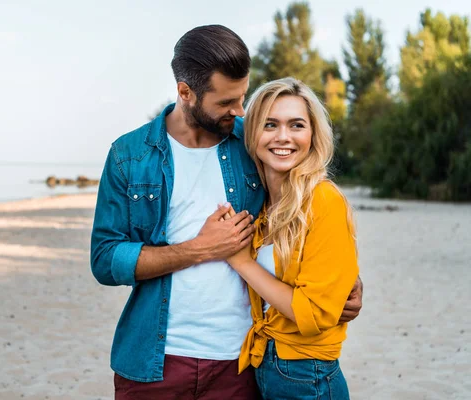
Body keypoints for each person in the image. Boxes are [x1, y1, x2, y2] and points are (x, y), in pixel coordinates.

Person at [90, 25, 363, 400]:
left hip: (243, 361)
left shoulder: (251, 145)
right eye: (226, 103)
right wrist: (199, 249)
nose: (240, 111)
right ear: (185, 92)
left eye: (242, 97)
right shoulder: (129, 155)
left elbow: (300, 217)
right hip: (154, 361)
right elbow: (105, 260)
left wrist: (341, 283)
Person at [223, 77, 360, 400]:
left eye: (296, 125)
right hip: (270, 365)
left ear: (312, 135)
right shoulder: (265, 206)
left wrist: (242, 261)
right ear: (253, 132)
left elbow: (312, 312)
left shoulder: (323, 200)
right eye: (270, 124)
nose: (283, 137)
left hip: (307, 374)